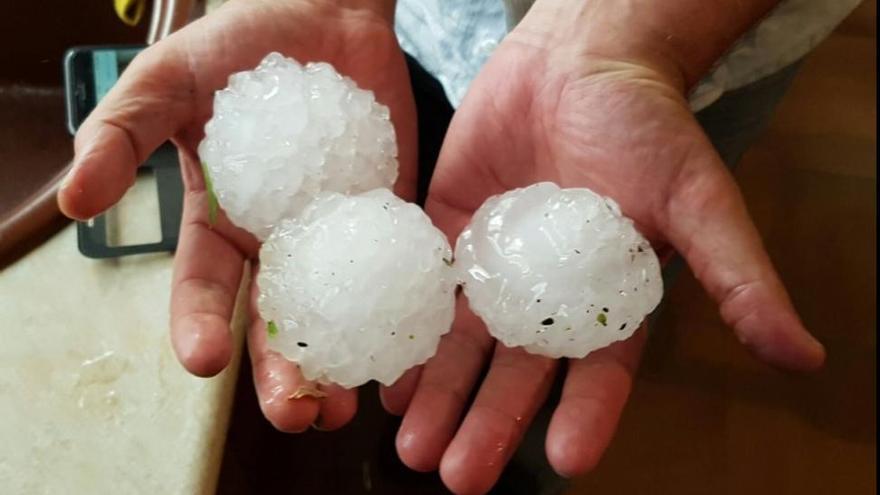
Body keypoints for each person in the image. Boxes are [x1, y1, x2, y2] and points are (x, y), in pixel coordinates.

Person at [57, 0, 859, 493]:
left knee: (529, 394)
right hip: (419, 23)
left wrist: (634, 30)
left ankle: (517, 477)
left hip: (700, 42)